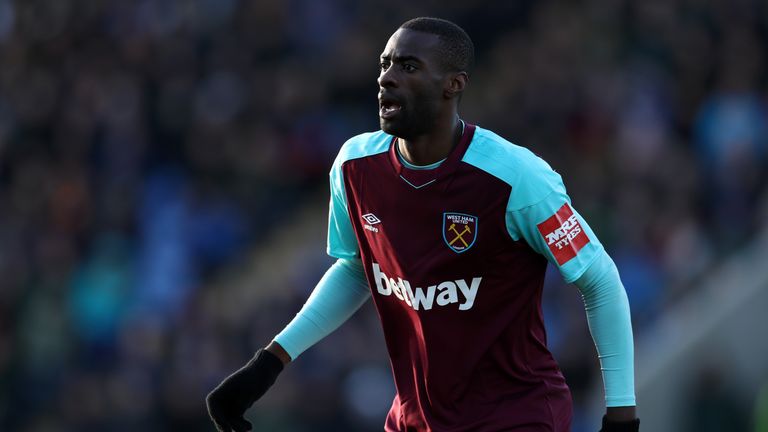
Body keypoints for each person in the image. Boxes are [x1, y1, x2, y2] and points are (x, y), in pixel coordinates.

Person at [206, 17, 639, 432]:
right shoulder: (356, 167)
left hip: (516, 415)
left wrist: (621, 416)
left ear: (454, 85)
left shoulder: (515, 178)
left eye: (408, 67)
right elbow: (359, 267)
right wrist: (268, 364)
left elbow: (599, 281)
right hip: (416, 419)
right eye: (385, 64)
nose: (387, 78)